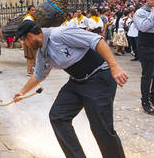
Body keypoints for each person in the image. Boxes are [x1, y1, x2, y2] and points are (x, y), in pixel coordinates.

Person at [12, 21, 128, 158]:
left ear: (30, 36)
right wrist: (22, 92)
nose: (24, 44)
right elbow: (38, 75)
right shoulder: (42, 52)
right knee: (58, 116)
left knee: (101, 128)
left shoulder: (59, 34)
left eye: (23, 40)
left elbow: (97, 40)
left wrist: (114, 66)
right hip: (77, 82)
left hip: (98, 78)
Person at [21, 5, 37, 76]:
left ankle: (30, 70)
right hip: (29, 40)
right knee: (30, 57)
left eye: (34, 10)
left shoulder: (30, 18)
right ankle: (29, 71)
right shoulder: (28, 18)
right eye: (32, 10)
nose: (34, 11)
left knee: (31, 56)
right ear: (29, 11)